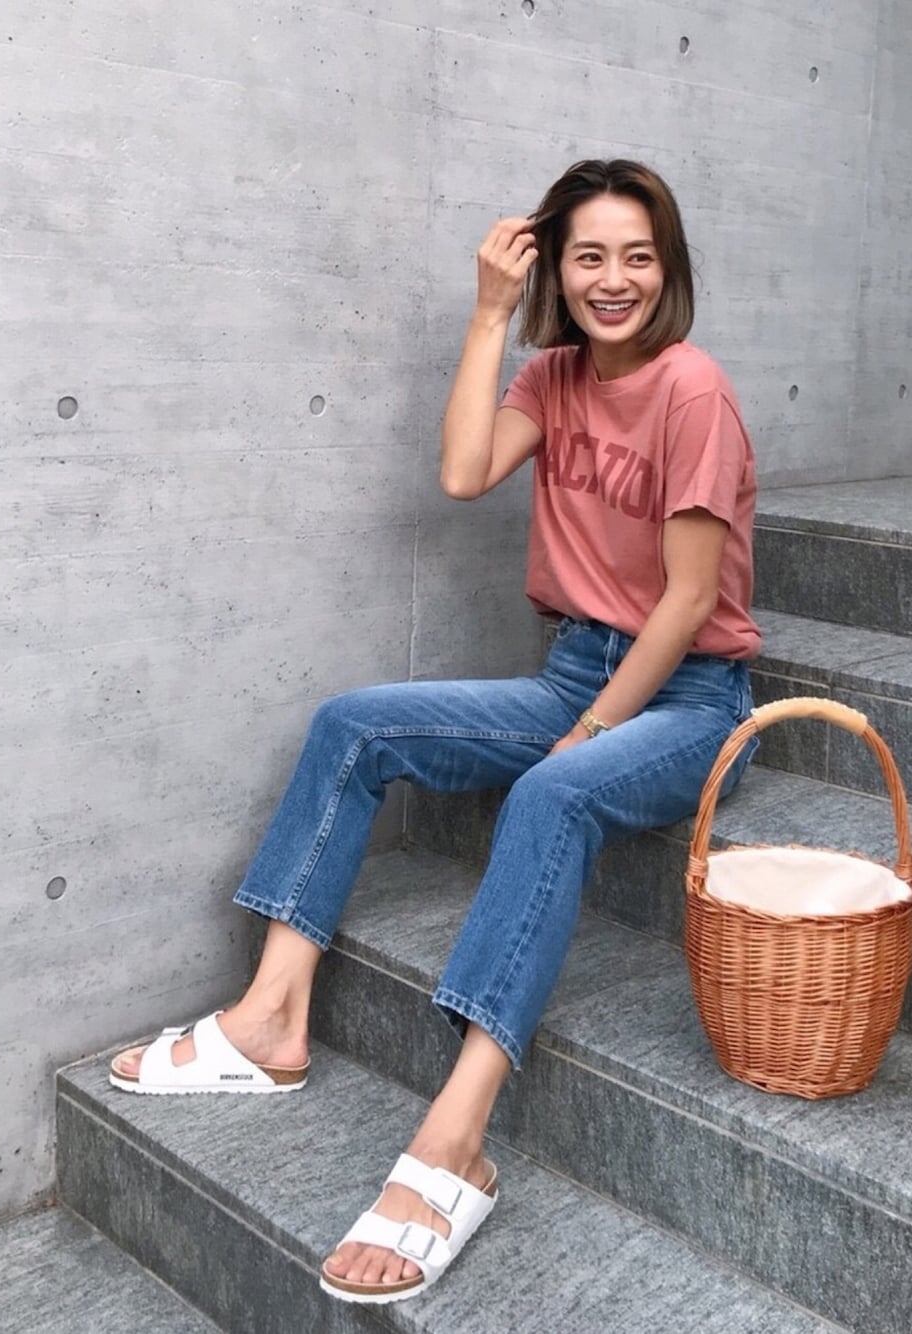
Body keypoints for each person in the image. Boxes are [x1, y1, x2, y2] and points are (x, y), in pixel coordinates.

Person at [109, 159, 760, 1307]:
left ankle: (455, 1138)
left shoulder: (691, 389)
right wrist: (489, 313)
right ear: (557, 267)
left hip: (690, 699)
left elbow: (688, 600)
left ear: (669, 269)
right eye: (589, 256)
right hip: (574, 669)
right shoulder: (552, 374)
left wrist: (590, 731)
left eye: (638, 256)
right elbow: (464, 471)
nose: (614, 279)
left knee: (551, 793)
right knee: (353, 724)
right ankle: (270, 1015)